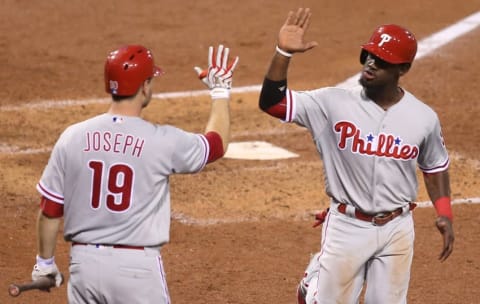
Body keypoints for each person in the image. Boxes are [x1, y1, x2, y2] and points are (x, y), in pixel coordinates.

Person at [258, 8, 454, 304]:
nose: (372, 64)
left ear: (403, 68)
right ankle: (313, 287)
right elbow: (272, 102)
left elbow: (435, 165)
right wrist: (282, 53)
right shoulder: (332, 103)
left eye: (383, 60)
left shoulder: (423, 117)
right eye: (369, 56)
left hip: (397, 229)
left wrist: (444, 213)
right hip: (347, 227)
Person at [31, 44, 239, 303]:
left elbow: (50, 209)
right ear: (144, 87)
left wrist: (45, 264)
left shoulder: (72, 136)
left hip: (83, 266)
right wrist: (220, 92)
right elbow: (215, 145)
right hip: (135, 271)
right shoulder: (161, 140)